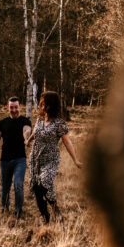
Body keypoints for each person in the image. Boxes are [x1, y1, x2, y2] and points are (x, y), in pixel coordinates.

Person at [26, 90, 82, 223]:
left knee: (44, 182)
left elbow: (67, 142)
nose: (42, 106)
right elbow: (36, 132)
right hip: (36, 157)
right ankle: (45, 217)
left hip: (51, 159)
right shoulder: (40, 119)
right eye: (41, 103)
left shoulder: (59, 123)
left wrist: (75, 160)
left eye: (44, 104)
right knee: (36, 188)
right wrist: (28, 141)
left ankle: (55, 208)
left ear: (52, 105)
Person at [0, 97, 33, 218]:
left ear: (20, 107)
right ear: (7, 107)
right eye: (11, 107)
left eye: (16, 107)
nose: (14, 110)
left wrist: (26, 138)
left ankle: (18, 212)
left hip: (20, 160)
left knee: (18, 185)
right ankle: (4, 210)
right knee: (5, 187)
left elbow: (26, 131)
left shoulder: (25, 121)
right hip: (5, 160)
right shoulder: (2, 123)